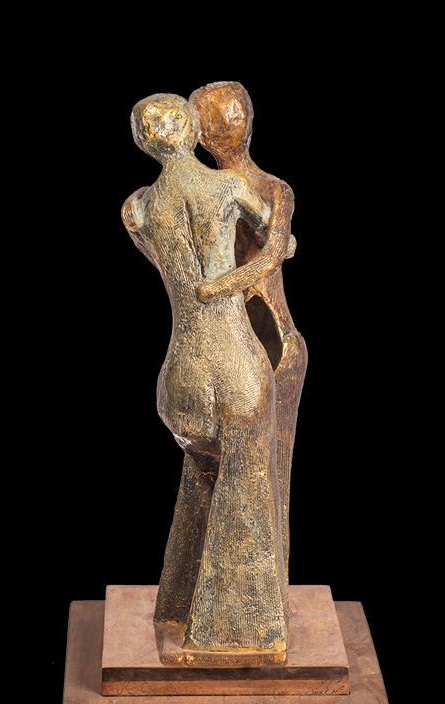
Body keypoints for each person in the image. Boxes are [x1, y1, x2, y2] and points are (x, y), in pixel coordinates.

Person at [122, 93, 288, 655]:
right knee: (245, 486)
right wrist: (228, 279)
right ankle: (234, 635)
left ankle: (176, 606)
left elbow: (160, 259)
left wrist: (203, 283)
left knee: (201, 478)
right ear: (193, 129)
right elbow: (278, 241)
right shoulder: (227, 187)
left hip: (179, 379)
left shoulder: (137, 208)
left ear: (143, 142)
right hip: (233, 364)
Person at [189, 81, 308, 578]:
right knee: (218, 472)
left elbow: (272, 255)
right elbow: (279, 248)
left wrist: (214, 288)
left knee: (267, 476)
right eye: (219, 120)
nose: (228, 127)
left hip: (271, 341)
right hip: (227, 344)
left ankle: (264, 596)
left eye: (231, 116)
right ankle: (211, 592)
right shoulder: (209, 193)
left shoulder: (270, 190)